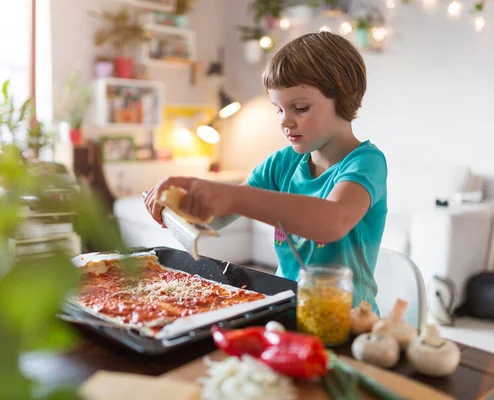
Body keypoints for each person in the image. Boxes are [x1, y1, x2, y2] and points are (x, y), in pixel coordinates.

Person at [144, 31, 387, 313]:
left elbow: (332, 221)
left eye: (300, 108)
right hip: (290, 308)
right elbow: (216, 218)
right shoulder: (282, 164)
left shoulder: (366, 162)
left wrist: (230, 196)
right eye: (278, 109)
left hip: (349, 319)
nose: (285, 121)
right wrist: (179, 203)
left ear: (342, 98)